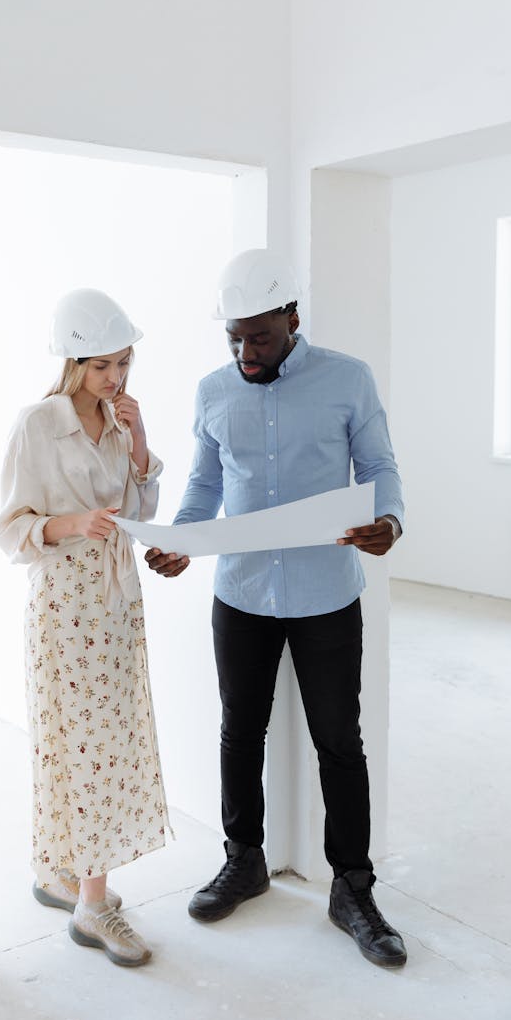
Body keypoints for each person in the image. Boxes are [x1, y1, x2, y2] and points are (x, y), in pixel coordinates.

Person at [145, 249, 407, 969]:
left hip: (327, 593)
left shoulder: (347, 379)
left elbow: (381, 468)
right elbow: (203, 484)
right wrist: (182, 541)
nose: (244, 351)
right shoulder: (212, 391)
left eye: (259, 335)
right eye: (234, 336)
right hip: (243, 595)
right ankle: (244, 859)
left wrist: (388, 522)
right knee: (240, 731)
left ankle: (352, 887)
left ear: (293, 318)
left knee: (339, 741)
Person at [0, 288, 170, 968]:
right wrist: (74, 524)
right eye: (102, 366)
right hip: (66, 609)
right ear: (73, 362)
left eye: (123, 363)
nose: (116, 378)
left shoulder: (121, 421)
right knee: (76, 742)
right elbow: (10, 530)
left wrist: (142, 440)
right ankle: (92, 904)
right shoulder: (38, 423)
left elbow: (141, 508)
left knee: (107, 740)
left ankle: (60, 871)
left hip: (118, 603)